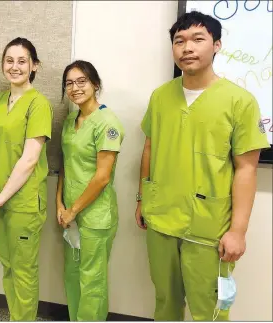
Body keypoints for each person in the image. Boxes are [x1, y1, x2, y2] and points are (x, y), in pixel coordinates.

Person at [135, 11, 270, 321]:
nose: (187, 48)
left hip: (209, 227)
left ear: (217, 45)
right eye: (179, 41)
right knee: (165, 302)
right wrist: (142, 198)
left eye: (198, 39)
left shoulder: (240, 101)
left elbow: (247, 169)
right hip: (161, 219)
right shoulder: (160, 96)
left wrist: (238, 230)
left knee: (209, 310)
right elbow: (150, 147)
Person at [0, 37, 53, 321]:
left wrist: (0, 197)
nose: (15, 66)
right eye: (9, 60)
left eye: (22, 61)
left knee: (23, 271)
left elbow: (30, 159)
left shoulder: (38, 104)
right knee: (7, 265)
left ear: (35, 66)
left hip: (22, 202)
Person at [56, 60, 125, 321]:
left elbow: (102, 177)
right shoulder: (71, 120)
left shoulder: (107, 122)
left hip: (95, 216)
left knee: (92, 281)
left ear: (95, 84)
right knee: (73, 275)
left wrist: (73, 210)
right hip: (70, 214)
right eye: (69, 83)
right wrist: (59, 204)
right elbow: (65, 164)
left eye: (81, 81)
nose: (75, 88)